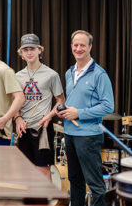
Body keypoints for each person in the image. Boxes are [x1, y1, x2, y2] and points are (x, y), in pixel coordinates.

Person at [57, 30, 114, 206]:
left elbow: (108, 106)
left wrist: (79, 113)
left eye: (82, 45)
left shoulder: (99, 74)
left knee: (96, 185)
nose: (78, 48)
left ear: (90, 47)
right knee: (75, 181)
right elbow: (73, 101)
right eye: (75, 45)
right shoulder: (69, 72)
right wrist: (65, 111)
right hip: (70, 134)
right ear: (71, 47)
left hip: (88, 136)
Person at [14, 33, 65, 179]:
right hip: (23, 129)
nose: (29, 52)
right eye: (25, 49)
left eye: (32, 48)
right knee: (24, 170)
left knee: (42, 170)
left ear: (39, 50)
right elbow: (15, 102)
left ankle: (44, 201)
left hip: (43, 128)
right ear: (21, 53)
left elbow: (61, 101)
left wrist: (49, 117)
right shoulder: (17, 76)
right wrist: (17, 118)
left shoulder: (51, 75)